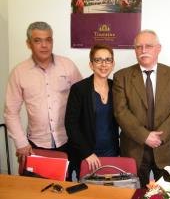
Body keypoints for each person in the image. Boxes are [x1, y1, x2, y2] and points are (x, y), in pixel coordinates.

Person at [4, 21, 82, 172]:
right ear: (28, 44)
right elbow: (10, 112)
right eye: (38, 40)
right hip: (36, 144)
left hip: (68, 140)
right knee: (38, 188)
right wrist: (21, 143)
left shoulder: (67, 66)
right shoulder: (19, 72)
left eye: (48, 39)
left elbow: (82, 100)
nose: (44, 45)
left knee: (66, 186)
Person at [113, 29, 170, 188]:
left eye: (148, 46)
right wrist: (145, 136)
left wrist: (158, 137)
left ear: (159, 48)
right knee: (135, 197)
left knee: (167, 197)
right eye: (139, 47)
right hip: (134, 148)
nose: (143, 50)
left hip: (165, 148)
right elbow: (120, 112)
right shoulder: (121, 76)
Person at [65, 44, 119, 178]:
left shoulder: (117, 87)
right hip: (87, 155)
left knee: (110, 193)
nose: (103, 64)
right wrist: (87, 152)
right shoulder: (79, 89)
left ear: (113, 64)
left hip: (111, 153)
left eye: (108, 60)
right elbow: (71, 125)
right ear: (91, 64)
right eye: (98, 60)